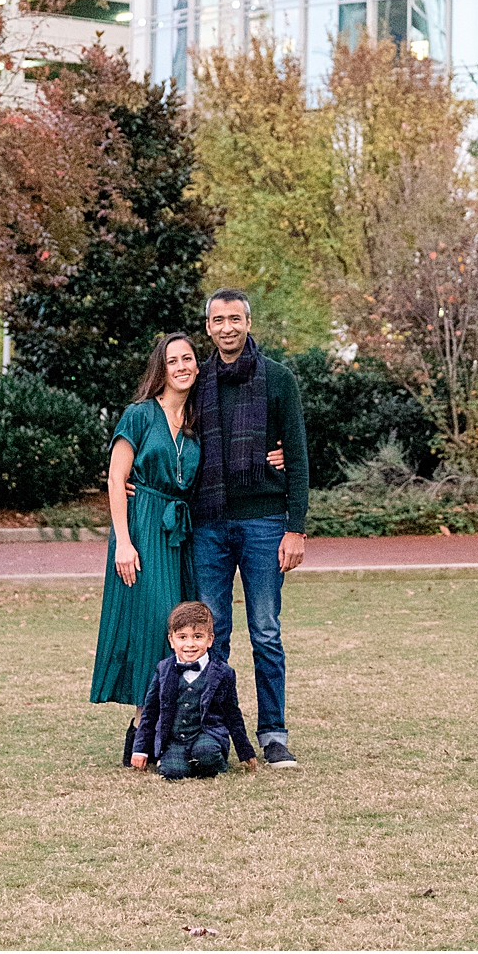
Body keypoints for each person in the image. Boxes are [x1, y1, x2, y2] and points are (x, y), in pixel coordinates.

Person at [192, 288, 310, 769]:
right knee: (211, 635)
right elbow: (164, 434)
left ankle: (273, 732)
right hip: (208, 524)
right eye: (218, 320)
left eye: (234, 318)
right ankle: (212, 731)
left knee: (265, 632)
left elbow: (297, 457)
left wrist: (295, 527)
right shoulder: (194, 382)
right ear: (208, 327)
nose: (227, 327)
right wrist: (134, 479)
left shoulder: (279, 380)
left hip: (264, 521)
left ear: (248, 321)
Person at [89, 331, 202, 762]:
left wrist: (277, 454)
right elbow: (117, 478)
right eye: (173, 360)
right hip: (142, 530)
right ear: (162, 367)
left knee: (179, 624)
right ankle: (141, 730)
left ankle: (170, 729)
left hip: (181, 535)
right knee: (153, 623)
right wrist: (123, 541)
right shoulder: (138, 415)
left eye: (188, 359)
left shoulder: (196, 422)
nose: (181, 366)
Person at [129, 600, 256, 780]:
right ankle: (181, 762)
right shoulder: (163, 669)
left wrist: (245, 752)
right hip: (175, 740)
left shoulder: (223, 673)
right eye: (182, 637)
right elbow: (150, 712)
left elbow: (232, 713)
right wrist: (140, 749)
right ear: (171, 641)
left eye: (197, 636)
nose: (190, 644)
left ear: (210, 640)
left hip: (207, 735)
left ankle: (210, 763)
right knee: (173, 772)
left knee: (206, 753)